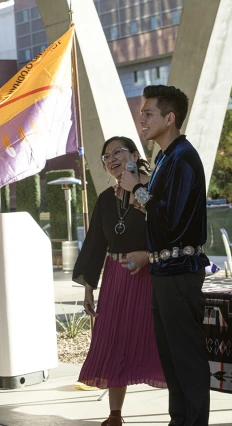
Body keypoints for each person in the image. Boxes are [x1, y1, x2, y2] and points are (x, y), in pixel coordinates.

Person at [119, 85, 211, 426]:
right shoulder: (166, 159)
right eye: (141, 113)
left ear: (169, 118)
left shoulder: (183, 157)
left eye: (148, 114)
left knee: (186, 358)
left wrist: (138, 190)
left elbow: (171, 219)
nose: (141, 119)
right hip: (166, 271)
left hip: (180, 271)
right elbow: (162, 213)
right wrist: (143, 185)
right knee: (172, 359)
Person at [72, 136, 166, 426]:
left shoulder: (150, 190)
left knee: (156, 342)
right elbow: (95, 244)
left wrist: (137, 188)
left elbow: (166, 228)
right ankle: (115, 414)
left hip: (149, 276)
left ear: (134, 155)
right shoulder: (105, 199)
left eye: (118, 152)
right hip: (115, 278)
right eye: (105, 156)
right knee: (114, 342)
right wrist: (89, 286)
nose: (111, 159)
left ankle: (181, 412)